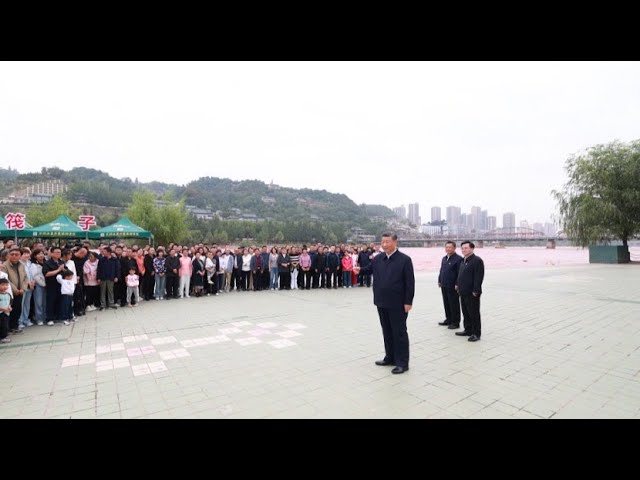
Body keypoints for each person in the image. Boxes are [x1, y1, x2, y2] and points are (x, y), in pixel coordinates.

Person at [360, 233, 415, 374]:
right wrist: (359, 270)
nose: (384, 244)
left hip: (398, 303)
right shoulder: (378, 259)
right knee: (387, 331)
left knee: (399, 333)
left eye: (387, 242)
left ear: (395, 242)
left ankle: (402, 362)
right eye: (382, 242)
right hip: (381, 301)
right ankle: (389, 357)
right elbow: (368, 269)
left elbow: (410, 283)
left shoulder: (405, 260)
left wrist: (408, 301)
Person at [455, 241, 485, 342]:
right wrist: (457, 285)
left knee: (474, 313)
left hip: (472, 293)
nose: (464, 250)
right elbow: (460, 274)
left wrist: (476, 290)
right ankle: (468, 330)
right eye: (462, 248)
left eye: (466, 248)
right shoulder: (463, 260)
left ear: (472, 249)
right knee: (466, 312)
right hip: (462, 291)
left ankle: (476, 333)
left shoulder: (477, 260)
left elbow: (478, 277)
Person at [437, 241, 462, 329]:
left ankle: (455, 322)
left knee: (454, 304)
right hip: (444, 284)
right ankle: (448, 319)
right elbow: (441, 270)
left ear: (454, 248)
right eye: (446, 247)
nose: (448, 249)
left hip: (453, 286)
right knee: (446, 303)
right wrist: (439, 280)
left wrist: (457, 284)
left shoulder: (458, 259)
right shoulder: (444, 258)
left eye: (450, 247)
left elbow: (460, 273)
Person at [0, 278, 12, 344]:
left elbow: (9, 302)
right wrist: (3, 309)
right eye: (2, 285)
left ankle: (4, 336)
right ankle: (2, 337)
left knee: (5, 325)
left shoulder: (8, 294)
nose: (5, 286)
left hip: (6, 313)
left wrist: (9, 307)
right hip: (1, 312)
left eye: (6, 285)